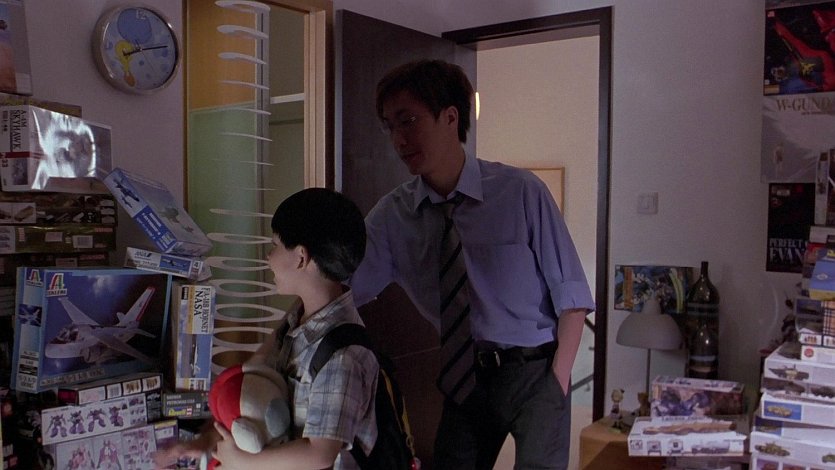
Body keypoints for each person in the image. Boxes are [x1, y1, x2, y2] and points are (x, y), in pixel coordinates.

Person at [349, 59, 595, 470]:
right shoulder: (393, 215)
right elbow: (343, 289)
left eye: (408, 120)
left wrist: (557, 382)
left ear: (450, 117)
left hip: (535, 370)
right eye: (389, 126)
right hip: (466, 376)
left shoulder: (520, 192)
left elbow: (573, 296)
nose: (398, 139)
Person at [153, 188, 378, 470]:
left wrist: (244, 462)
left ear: (301, 257)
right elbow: (251, 384)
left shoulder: (342, 354)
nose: (269, 258)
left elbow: (320, 453)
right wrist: (204, 442)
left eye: (275, 246)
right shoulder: (298, 318)